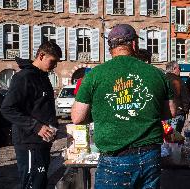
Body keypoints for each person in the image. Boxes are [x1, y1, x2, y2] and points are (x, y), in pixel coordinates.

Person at [71, 24, 174, 189]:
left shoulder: (94, 75)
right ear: (134, 44)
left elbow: (77, 118)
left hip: (115, 158)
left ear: (110, 47)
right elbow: (171, 111)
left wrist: (102, 112)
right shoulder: (157, 74)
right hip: (150, 155)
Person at [0, 41, 61, 189]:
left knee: (40, 183)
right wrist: (36, 127)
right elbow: (7, 108)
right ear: (41, 55)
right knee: (32, 184)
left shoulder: (44, 77)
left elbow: (41, 107)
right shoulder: (23, 78)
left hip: (42, 143)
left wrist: (53, 125)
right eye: (52, 61)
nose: (55, 66)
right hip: (29, 142)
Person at [165, 61, 190, 133]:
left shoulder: (162, 79)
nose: (180, 70)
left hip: (164, 113)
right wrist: (185, 110)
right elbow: (185, 98)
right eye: (179, 68)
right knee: (175, 138)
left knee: (166, 138)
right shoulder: (179, 81)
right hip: (178, 113)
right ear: (174, 69)